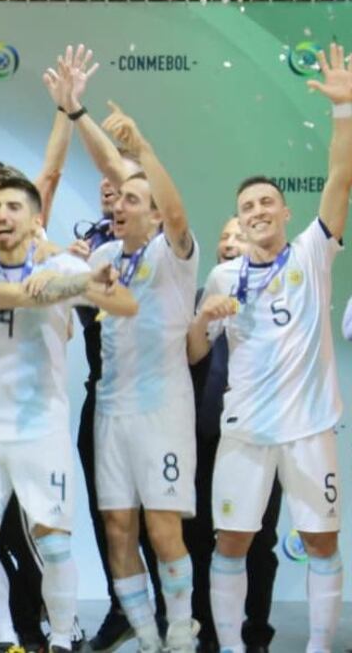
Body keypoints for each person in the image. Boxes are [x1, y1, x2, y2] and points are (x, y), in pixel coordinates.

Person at [187, 43, 352, 653]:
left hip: (310, 430)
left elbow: (340, 178)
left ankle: (316, 649)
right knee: (230, 541)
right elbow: (194, 352)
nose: (256, 212)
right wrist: (203, 317)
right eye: (245, 208)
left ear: (285, 211)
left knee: (321, 543)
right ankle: (231, 647)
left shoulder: (313, 252)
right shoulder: (224, 277)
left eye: (265, 203)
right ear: (237, 220)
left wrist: (343, 110)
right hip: (245, 433)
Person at [0, 178, 137, 653]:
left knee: (54, 542)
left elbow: (123, 303)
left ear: (37, 219)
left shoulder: (60, 264)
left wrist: (73, 280)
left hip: (42, 426)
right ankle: (4, 639)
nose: (1, 214)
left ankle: (60, 639)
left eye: (14, 206)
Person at [61, 75, 201, 649]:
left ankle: (181, 633)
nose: (119, 204)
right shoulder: (101, 255)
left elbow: (167, 203)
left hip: (164, 407)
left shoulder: (174, 253)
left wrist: (140, 150)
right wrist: (76, 114)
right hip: (111, 410)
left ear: (154, 214)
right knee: (117, 528)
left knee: (162, 528)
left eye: (132, 200)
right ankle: (145, 636)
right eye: (116, 199)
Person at [55, 46, 165, 653]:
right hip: (105, 393)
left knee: (163, 519)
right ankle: (127, 611)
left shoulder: (156, 242)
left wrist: (77, 114)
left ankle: (180, 618)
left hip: (161, 395)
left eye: (123, 186)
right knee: (111, 516)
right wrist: (71, 284)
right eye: (106, 185)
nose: (112, 192)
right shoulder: (89, 251)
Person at [183, 217, 281, 653]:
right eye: (223, 235)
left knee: (259, 542)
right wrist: (204, 315)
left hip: (261, 434)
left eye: (239, 236)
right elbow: (190, 356)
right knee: (201, 536)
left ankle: (255, 633)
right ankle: (205, 630)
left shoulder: (278, 305)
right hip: (207, 435)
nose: (228, 242)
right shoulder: (201, 303)